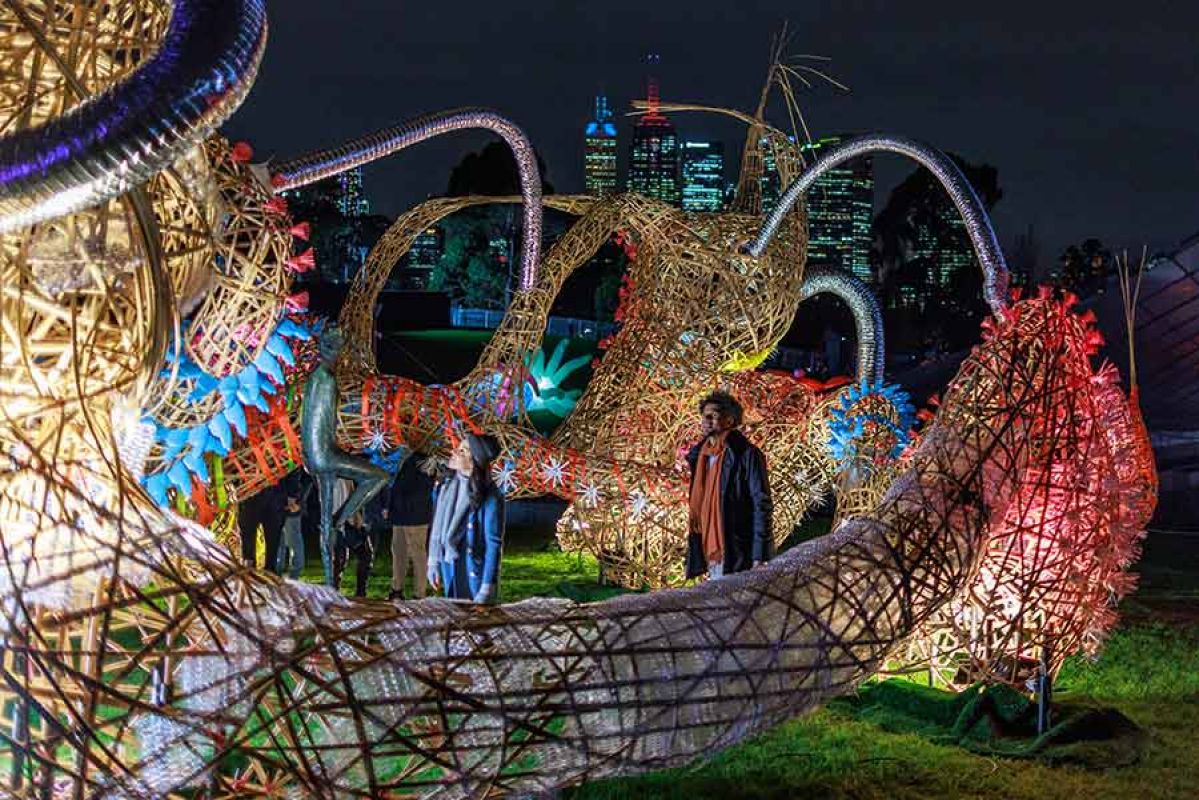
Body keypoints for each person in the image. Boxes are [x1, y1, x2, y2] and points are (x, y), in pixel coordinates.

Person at [684, 390, 773, 580]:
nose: (706, 420)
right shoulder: (700, 456)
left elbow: (761, 504)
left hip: (736, 548)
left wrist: (760, 554)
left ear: (729, 421)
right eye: (704, 416)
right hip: (707, 546)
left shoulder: (746, 455)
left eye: (713, 416)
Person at [426, 433, 505, 603]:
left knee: (474, 623)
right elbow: (437, 526)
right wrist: (433, 561)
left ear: (474, 460)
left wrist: (486, 587)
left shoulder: (489, 497)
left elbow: (493, 544)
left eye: (462, 451)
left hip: (472, 568)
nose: (454, 452)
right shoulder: (445, 487)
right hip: (450, 562)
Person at [386, 452, 435, 600]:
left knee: (417, 554)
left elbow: (423, 485)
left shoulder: (426, 459)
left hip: (415, 515)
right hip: (400, 514)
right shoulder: (404, 456)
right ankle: (396, 588)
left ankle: (419, 593)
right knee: (398, 551)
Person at [237, 481, 286, 575]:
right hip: (252, 494)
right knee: (250, 540)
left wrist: (293, 494)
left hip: (270, 495)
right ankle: (252, 571)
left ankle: (268, 571)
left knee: (272, 540)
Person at [333, 511, 375, 598]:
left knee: (340, 559)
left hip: (343, 521)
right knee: (339, 559)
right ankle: (359, 592)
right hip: (343, 521)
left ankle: (360, 592)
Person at [276, 493, 305, 580]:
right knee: (283, 542)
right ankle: (281, 573)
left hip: (288, 507)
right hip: (284, 506)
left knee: (292, 542)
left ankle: (292, 574)